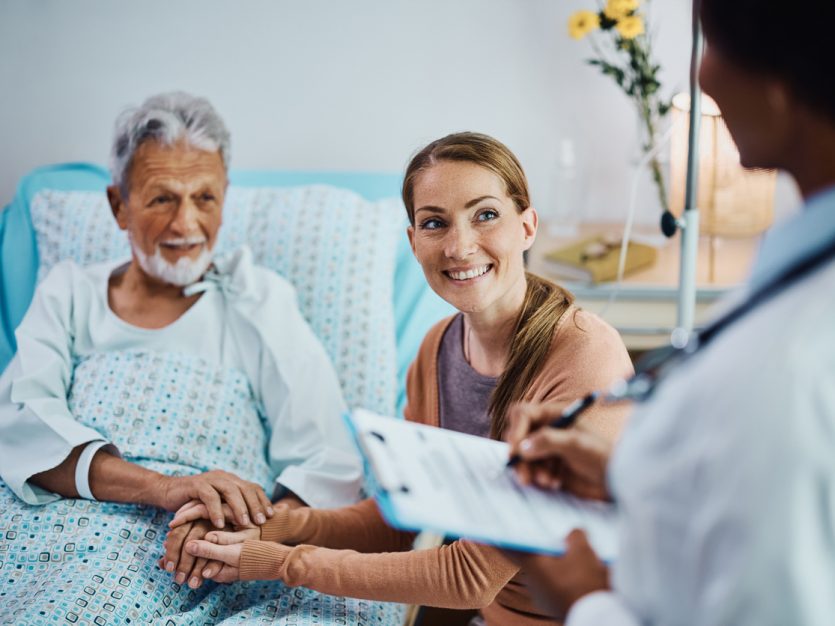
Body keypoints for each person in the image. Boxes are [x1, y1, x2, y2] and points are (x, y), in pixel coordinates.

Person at [177, 132, 635, 625]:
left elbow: (469, 576)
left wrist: (281, 562)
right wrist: (270, 526)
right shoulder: (437, 348)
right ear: (414, 242)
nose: (459, 246)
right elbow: (402, 521)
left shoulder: (584, 358)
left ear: (527, 226)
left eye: (485, 215)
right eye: (435, 223)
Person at [0, 92, 402, 624]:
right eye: (162, 198)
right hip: (66, 526)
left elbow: (327, 458)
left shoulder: (259, 300)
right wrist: (164, 489)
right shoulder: (69, 293)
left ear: (225, 197)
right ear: (119, 205)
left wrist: (250, 532)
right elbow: (21, 423)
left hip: (210, 548)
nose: (185, 224)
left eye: (205, 198)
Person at [502, 1, 835, 624]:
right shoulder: (800, 276)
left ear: (785, 82)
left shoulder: (791, 371)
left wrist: (584, 602)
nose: (702, 76)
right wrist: (633, 477)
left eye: (714, 43)